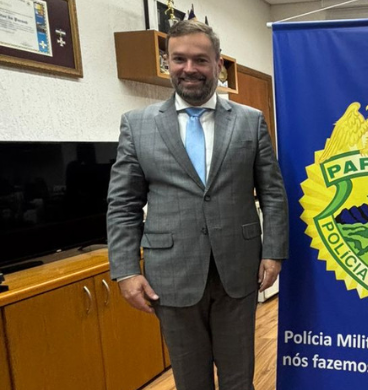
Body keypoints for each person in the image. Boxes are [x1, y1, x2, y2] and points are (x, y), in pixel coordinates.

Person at [106, 20, 288, 390]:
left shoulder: (250, 122)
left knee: (239, 378)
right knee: (190, 380)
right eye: (179, 59)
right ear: (167, 63)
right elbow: (123, 203)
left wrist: (274, 252)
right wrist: (125, 270)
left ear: (218, 64)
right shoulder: (137, 125)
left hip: (238, 269)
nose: (189, 69)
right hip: (170, 275)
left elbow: (272, 192)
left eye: (200, 60)